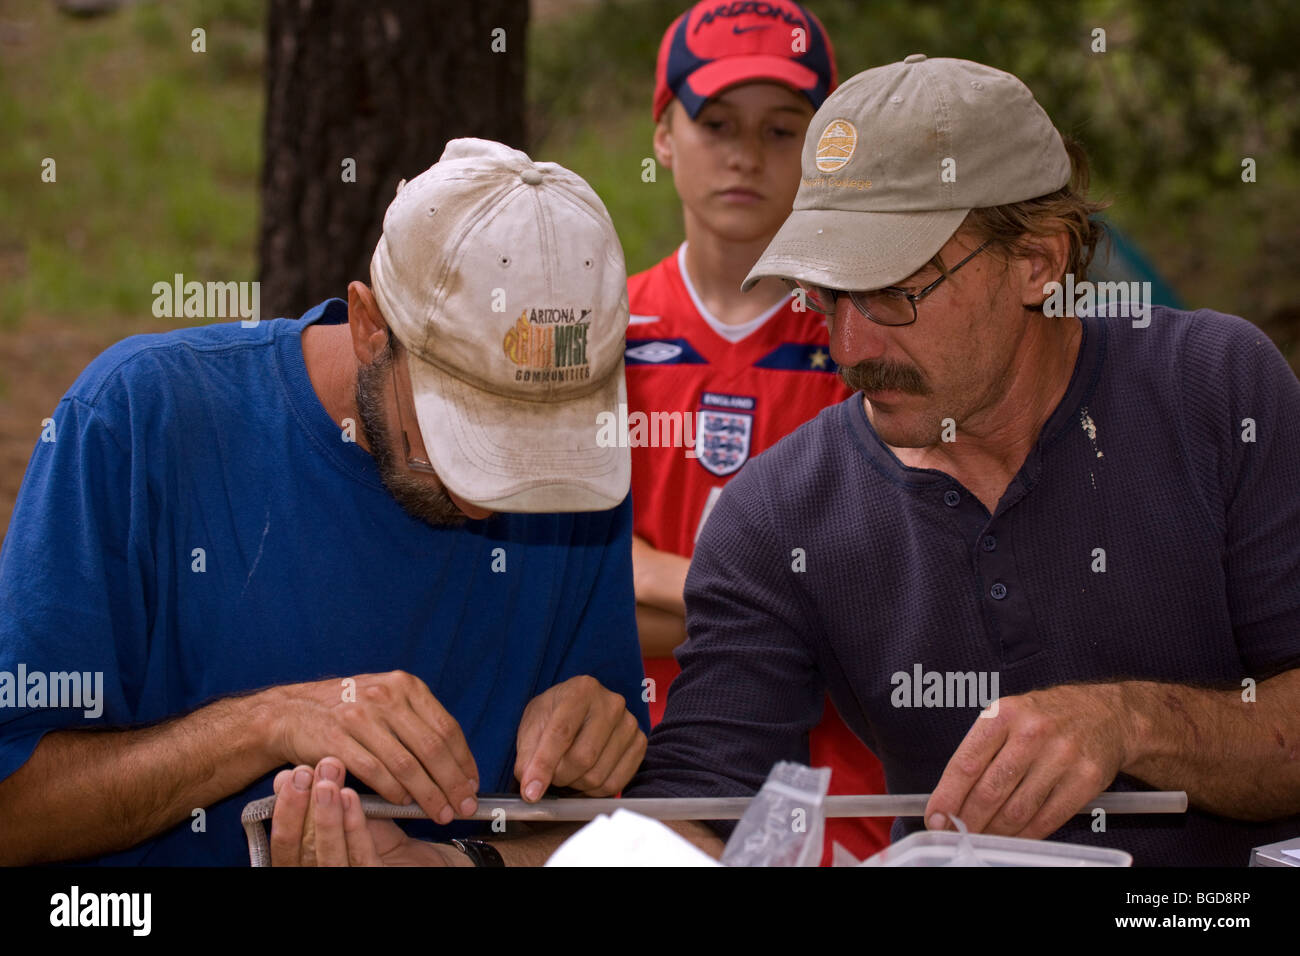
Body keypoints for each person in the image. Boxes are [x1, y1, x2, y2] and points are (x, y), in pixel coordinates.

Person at [625, 55, 1300, 866]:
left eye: (895, 291)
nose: (851, 347)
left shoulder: (1215, 390)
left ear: (1039, 260)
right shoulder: (779, 511)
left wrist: (1132, 722)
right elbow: (700, 803)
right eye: (828, 294)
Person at [0, 139, 650, 866]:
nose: (486, 495)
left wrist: (579, 776)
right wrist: (267, 723)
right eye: (464, 430)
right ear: (371, 327)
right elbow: (15, 812)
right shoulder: (138, 422)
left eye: (537, 443)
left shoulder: (576, 489)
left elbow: (619, 835)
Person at [627, 0, 890, 864]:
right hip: (624, 760)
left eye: (784, 129)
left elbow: (872, 606)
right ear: (663, 132)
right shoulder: (601, 331)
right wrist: (767, 597)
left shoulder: (870, 339)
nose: (746, 154)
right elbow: (575, 584)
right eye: (715, 122)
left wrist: (663, 592)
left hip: (842, 795)